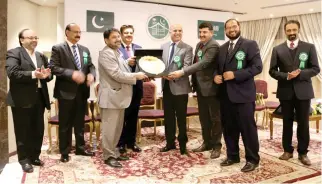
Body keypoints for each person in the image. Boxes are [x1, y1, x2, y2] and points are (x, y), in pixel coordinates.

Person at [214, 19, 262, 172]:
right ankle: (232, 155)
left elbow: (257, 67)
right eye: (228, 28)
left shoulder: (250, 44)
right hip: (225, 96)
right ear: (225, 31)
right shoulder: (221, 48)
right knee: (229, 128)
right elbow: (217, 69)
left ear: (239, 27)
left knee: (247, 129)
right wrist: (216, 76)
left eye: (234, 26)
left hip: (244, 95)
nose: (231, 29)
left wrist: (235, 74)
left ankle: (252, 159)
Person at [269, 20, 320, 166]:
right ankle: (287, 150)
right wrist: (286, 76)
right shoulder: (277, 49)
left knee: (303, 124)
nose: (291, 33)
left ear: (298, 30)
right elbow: (272, 71)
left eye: (294, 30)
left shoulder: (309, 47)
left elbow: (316, 69)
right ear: (285, 31)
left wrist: (300, 73)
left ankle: (303, 153)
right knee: (287, 123)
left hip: (303, 92)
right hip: (285, 92)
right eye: (289, 30)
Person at [169, 22, 222, 159]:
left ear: (211, 33)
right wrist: (192, 82)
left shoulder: (214, 45)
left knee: (215, 119)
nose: (202, 35)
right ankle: (207, 142)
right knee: (204, 118)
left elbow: (203, 63)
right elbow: (195, 64)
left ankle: (216, 146)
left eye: (205, 32)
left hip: (211, 88)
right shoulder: (200, 45)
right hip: (200, 88)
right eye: (200, 32)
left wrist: (183, 72)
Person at [98, 28, 147, 168]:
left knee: (117, 128)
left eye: (118, 37)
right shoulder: (106, 53)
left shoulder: (117, 52)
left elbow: (124, 70)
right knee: (109, 129)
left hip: (119, 98)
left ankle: (114, 152)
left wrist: (134, 68)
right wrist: (136, 76)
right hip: (110, 98)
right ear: (106, 40)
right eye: (114, 37)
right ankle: (108, 156)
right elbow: (116, 74)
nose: (118, 39)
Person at [6, 29, 52, 172]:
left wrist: (47, 75)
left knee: (38, 129)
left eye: (36, 37)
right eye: (31, 37)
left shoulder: (40, 55)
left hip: (39, 98)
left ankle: (34, 156)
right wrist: (33, 74)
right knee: (23, 130)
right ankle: (24, 159)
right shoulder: (14, 53)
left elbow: (48, 75)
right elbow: (12, 73)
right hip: (21, 99)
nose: (34, 40)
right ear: (21, 40)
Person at [50, 23, 96, 163]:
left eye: (79, 32)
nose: (78, 34)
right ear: (67, 32)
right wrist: (72, 74)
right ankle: (65, 151)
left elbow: (90, 66)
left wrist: (92, 75)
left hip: (82, 92)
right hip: (66, 92)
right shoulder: (58, 48)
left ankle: (80, 148)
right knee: (65, 124)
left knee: (80, 123)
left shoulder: (84, 50)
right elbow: (53, 67)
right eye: (75, 31)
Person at [160, 24, 193, 155]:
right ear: (170, 32)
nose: (177, 33)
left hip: (180, 88)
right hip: (166, 87)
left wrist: (174, 75)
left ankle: (183, 145)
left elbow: (187, 67)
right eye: (175, 30)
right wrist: (161, 74)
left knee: (181, 118)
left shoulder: (187, 48)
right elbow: (160, 65)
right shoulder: (164, 47)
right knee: (168, 117)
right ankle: (170, 143)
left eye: (180, 30)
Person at [117, 25, 143, 153]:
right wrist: (127, 62)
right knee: (122, 117)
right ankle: (121, 143)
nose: (128, 35)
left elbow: (145, 65)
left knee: (133, 116)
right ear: (121, 35)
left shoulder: (139, 48)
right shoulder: (116, 49)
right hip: (123, 87)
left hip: (137, 87)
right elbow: (115, 69)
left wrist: (148, 74)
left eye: (131, 33)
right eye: (126, 33)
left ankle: (131, 143)